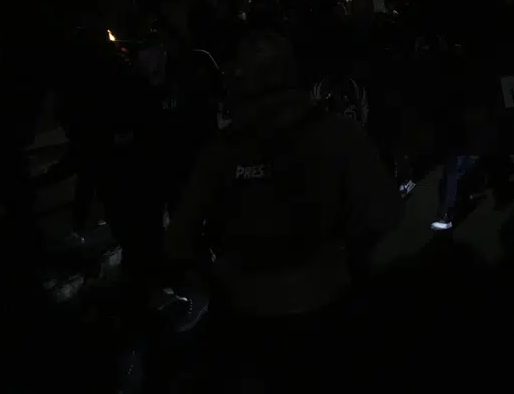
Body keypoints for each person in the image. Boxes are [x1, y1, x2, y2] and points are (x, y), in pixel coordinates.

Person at [166, 30, 403, 385]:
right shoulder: (339, 133)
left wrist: (220, 274)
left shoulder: (221, 151)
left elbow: (179, 241)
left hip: (248, 314)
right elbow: (385, 213)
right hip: (329, 303)